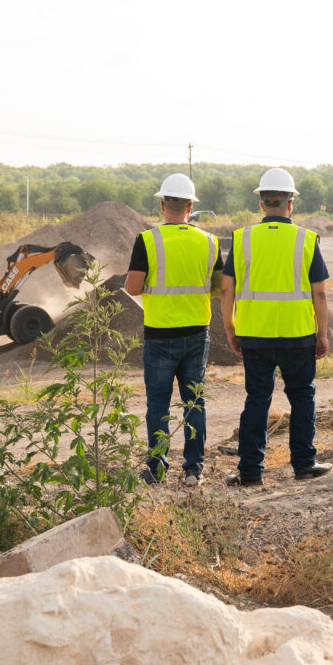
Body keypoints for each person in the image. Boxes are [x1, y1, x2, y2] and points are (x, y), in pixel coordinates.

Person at [222, 167, 332, 487]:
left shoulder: (243, 238)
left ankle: (251, 472)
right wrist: (322, 334)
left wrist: (230, 328)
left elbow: (227, 289)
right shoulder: (307, 239)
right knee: (302, 398)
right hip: (298, 334)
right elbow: (320, 292)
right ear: (290, 202)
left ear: (261, 203)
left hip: (255, 334)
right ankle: (303, 464)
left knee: (257, 400)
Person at [123, 173, 220, 486]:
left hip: (160, 334)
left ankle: (157, 468)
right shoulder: (209, 241)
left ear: (163, 204)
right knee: (194, 402)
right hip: (196, 333)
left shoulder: (148, 240)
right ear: (190, 206)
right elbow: (217, 288)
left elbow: (133, 287)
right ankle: (194, 470)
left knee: (159, 405)